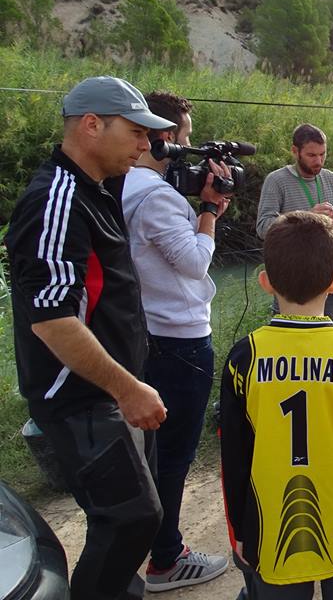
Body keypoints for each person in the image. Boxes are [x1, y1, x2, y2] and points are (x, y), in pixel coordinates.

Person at [4, 76, 172, 600]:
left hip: (103, 394)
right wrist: (126, 388)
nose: (146, 145)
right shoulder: (55, 199)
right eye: (137, 132)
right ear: (91, 125)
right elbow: (52, 319)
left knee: (131, 521)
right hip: (78, 397)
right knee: (129, 517)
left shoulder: (93, 189)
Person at [220, 211, 333, 600]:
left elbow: (233, 455)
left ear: (265, 283)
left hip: (269, 529)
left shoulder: (243, 358)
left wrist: (240, 528)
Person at [121, 91, 230, 591]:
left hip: (147, 333)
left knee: (154, 450)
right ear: (162, 140)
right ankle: (167, 558)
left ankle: (152, 545)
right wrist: (208, 211)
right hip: (179, 340)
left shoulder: (120, 188)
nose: (185, 152)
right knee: (175, 452)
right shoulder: (156, 197)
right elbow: (192, 262)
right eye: (183, 139)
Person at [256, 123, 333, 324]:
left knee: (330, 340)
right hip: (290, 279)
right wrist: (307, 216)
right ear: (294, 151)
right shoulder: (276, 180)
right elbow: (263, 226)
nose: (319, 161)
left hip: (327, 274)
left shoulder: (330, 179)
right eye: (311, 155)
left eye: (322, 154)